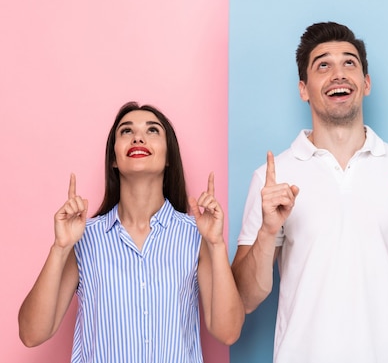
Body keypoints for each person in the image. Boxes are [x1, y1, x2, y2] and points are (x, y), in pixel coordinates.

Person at [231, 22, 388, 363]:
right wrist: (268, 232)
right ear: (303, 88)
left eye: (349, 63)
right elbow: (243, 298)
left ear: (366, 83)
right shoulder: (272, 178)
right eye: (323, 65)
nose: (338, 74)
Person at [19, 102, 244, 363]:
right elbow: (31, 334)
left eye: (152, 131)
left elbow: (228, 333)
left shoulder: (196, 235)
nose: (138, 137)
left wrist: (216, 244)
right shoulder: (83, 239)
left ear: (169, 156)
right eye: (126, 131)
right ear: (114, 158)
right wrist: (59, 249)